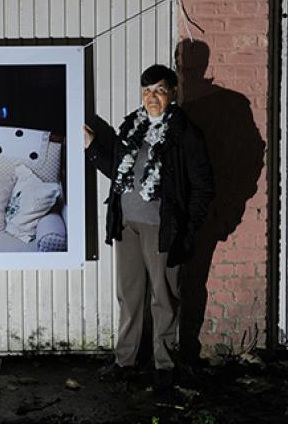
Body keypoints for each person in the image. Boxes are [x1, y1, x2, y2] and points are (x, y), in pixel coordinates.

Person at [84, 64, 213, 390]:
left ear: (172, 93)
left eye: (158, 90)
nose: (151, 97)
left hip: (162, 227)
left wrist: (187, 226)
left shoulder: (185, 133)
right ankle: (125, 361)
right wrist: (91, 148)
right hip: (127, 224)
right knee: (129, 296)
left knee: (164, 297)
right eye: (146, 91)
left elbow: (203, 186)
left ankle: (165, 365)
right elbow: (117, 170)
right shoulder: (132, 126)